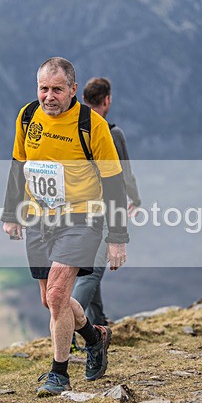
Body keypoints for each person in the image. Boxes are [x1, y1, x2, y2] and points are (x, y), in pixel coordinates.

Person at [1, 57, 130, 396]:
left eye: (57, 89)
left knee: (59, 295)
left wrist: (117, 237)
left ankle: (59, 373)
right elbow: (18, 165)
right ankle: (94, 336)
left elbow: (115, 183)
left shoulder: (92, 126)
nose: (49, 96)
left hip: (82, 219)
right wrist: (10, 213)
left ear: (74, 89)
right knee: (49, 301)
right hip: (39, 218)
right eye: (43, 88)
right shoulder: (28, 116)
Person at [71, 77, 141, 333]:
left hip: (73, 209)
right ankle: (69, 329)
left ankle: (98, 322)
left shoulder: (74, 128)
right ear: (107, 99)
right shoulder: (112, 132)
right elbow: (125, 174)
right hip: (102, 211)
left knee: (89, 268)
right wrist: (135, 198)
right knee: (91, 273)